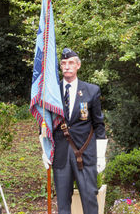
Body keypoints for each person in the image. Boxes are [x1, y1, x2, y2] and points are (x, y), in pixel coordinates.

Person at [40, 48, 108, 214]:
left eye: (70, 63)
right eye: (63, 63)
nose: (66, 67)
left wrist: (100, 155)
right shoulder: (51, 92)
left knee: (90, 199)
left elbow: (99, 124)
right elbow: (45, 123)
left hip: (84, 154)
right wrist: (45, 149)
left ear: (78, 65)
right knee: (63, 203)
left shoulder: (91, 91)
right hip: (60, 154)